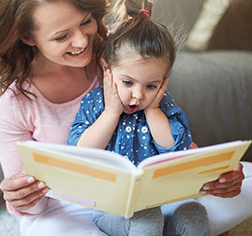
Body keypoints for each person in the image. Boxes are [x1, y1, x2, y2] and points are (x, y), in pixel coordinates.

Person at [0, 0, 252, 235]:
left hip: (150, 193)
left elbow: (166, 134)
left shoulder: (119, 50)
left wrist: (213, 175)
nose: (82, 41)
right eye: (62, 36)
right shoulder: (10, 100)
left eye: (86, 21)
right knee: (44, 230)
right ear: (28, 37)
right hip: (75, 207)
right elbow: (35, 205)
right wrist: (22, 197)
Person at [67, 1, 211, 235]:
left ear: (164, 80)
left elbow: (175, 147)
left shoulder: (161, 105)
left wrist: (153, 110)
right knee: (145, 218)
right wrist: (111, 113)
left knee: (194, 214)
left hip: (162, 200)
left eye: (151, 85)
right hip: (111, 207)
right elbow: (81, 151)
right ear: (107, 69)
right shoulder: (96, 103)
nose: (138, 95)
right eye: (127, 83)